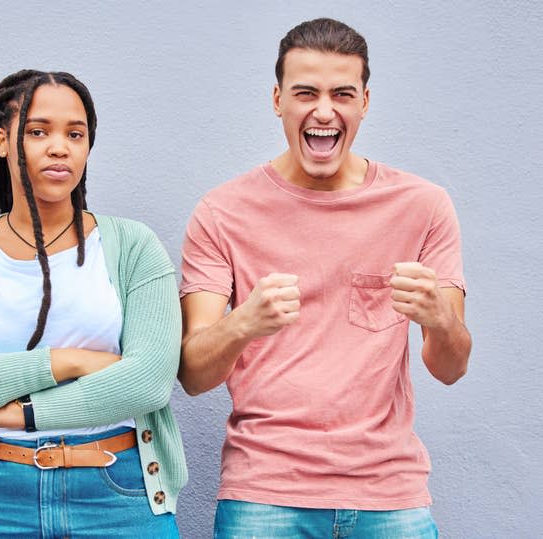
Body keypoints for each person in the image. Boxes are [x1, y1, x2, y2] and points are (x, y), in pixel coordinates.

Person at [179, 18, 471, 538]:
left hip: (391, 497)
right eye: (305, 93)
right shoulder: (222, 212)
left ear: (364, 102)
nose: (323, 110)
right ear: (277, 100)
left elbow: (450, 366)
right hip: (263, 495)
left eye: (342, 94)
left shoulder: (423, 207)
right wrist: (242, 323)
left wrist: (440, 317)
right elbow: (193, 375)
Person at [0, 69, 186, 538]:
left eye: (75, 134)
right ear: (1, 141)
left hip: (117, 495)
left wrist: (20, 413)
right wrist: (70, 361)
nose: (60, 147)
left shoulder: (134, 246)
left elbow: (150, 381)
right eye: (38, 132)